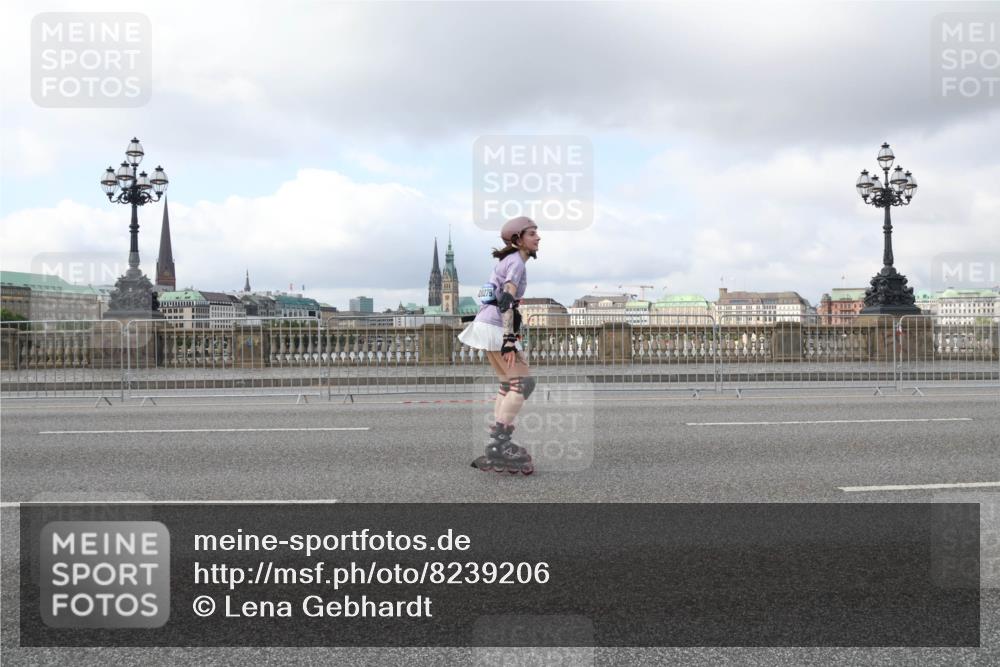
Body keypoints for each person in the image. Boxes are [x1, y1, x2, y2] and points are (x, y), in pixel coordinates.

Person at [458, 216, 541, 475]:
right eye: (532, 233)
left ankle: (497, 441)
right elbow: (506, 298)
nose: (538, 237)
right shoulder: (516, 262)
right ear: (518, 239)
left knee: (508, 384)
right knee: (523, 383)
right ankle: (500, 443)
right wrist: (508, 339)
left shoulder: (507, 261)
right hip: (495, 326)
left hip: (487, 324)